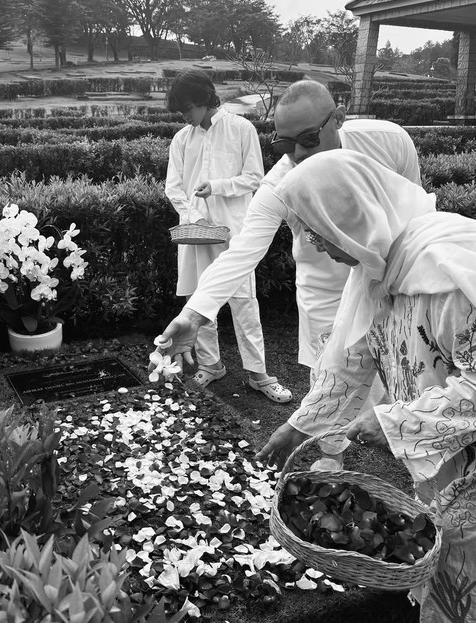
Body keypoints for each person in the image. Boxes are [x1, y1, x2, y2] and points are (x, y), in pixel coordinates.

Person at [257, 150, 476, 623]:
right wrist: (298, 428)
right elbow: (349, 363)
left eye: (314, 230)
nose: (311, 246)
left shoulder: (448, 268)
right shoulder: (380, 264)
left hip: (468, 472)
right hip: (444, 470)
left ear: (349, 212)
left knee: (463, 589)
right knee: (447, 585)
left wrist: (393, 422)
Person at [155, 80, 421, 456]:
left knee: (408, 366)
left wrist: (404, 281)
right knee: (330, 373)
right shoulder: (279, 183)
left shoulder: (389, 141)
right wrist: (194, 313)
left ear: (338, 119)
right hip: (324, 282)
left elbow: (414, 215)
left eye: (309, 139)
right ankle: (331, 459)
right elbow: (243, 250)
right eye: (283, 144)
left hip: (394, 271)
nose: (296, 154)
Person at [164, 69, 291, 403]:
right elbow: (173, 188)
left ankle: (258, 373)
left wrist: (217, 188)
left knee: (244, 302)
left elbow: (254, 177)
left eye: (188, 107)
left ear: (206, 98)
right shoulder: (182, 139)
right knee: (198, 298)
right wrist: (193, 217)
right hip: (195, 235)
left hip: (235, 233)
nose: (185, 115)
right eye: (181, 111)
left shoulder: (240, 128)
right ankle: (211, 365)